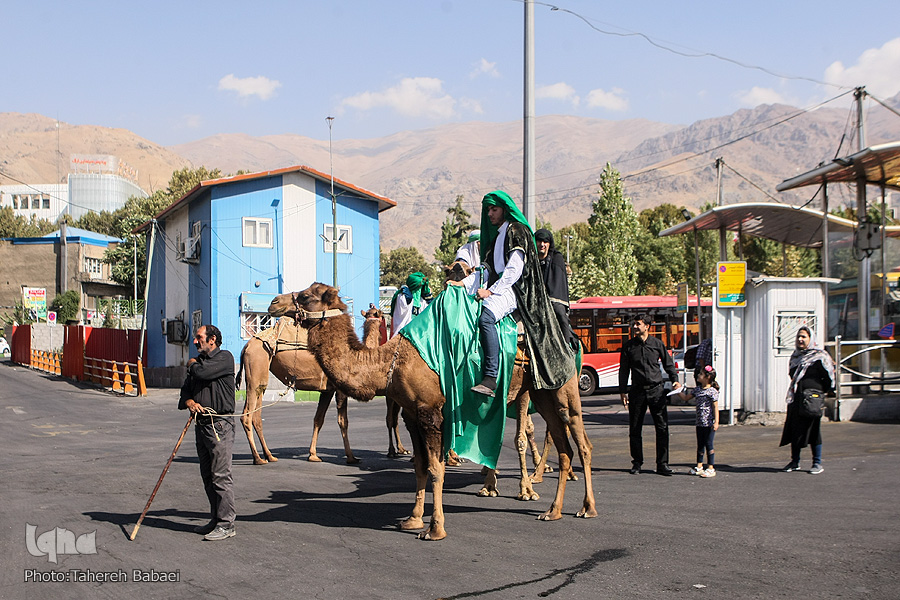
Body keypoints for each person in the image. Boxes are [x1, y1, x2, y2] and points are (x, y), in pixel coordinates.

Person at [468, 190, 576, 398]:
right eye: (488, 210)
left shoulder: (516, 231)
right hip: (500, 286)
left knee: (486, 318)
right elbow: (486, 269)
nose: (489, 214)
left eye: (494, 209)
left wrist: (491, 291)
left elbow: (514, 270)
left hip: (516, 290)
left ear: (504, 209)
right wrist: (461, 285)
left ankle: (490, 377)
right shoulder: (497, 236)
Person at [179, 324, 237, 541]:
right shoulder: (199, 363)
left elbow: (201, 372)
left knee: (221, 475)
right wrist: (190, 402)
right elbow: (186, 390)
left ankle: (226, 524)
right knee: (208, 476)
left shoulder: (224, 358)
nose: (195, 341)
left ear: (212, 339)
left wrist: (192, 364)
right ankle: (216, 519)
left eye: (199, 337)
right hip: (201, 424)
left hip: (220, 425)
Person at [619, 314, 682, 476]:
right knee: (635, 428)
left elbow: (668, 364)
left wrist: (675, 380)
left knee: (662, 428)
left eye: (638, 324)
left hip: (656, 390)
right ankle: (637, 462)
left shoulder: (657, 344)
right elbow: (624, 370)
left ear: (647, 326)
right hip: (637, 391)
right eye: (634, 324)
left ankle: (662, 464)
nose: (634, 327)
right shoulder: (628, 346)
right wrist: (623, 391)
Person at [780, 326, 835, 474]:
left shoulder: (820, 357)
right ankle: (795, 461)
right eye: (798, 336)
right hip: (797, 398)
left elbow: (828, 379)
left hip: (812, 399)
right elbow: (792, 375)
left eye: (804, 337)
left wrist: (818, 393)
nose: (800, 339)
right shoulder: (796, 357)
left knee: (813, 430)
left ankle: (817, 463)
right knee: (795, 430)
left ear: (811, 339)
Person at [534, 228, 577, 350]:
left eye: (545, 242)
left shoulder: (556, 258)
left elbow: (557, 282)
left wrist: (548, 297)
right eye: (539, 241)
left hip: (553, 299)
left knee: (559, 312)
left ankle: (566, 347)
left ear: (549, 244)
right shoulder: (531, 260)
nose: (542, 244)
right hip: (535, 299)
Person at [675, 365, 720, 477]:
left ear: (707, 377)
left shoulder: (712, 391)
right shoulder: (697, 390)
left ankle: (711, 467)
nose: (698, 376)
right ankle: (699, 466)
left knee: (709, 444)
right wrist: (677, 391)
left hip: (709, 423)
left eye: (701, 374)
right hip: (699, 422)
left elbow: (715, 407)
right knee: (700, 444)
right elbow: (685, 398)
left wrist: (716, 422)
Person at [389, 272, 433, 338]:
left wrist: (429, 299)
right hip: (403, 333)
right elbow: (402, 312)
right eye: (418, 287)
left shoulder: (422, 301)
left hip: (418, 334)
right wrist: (408, 298)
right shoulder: (402, 297)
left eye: (421, 287)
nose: (418, 290)